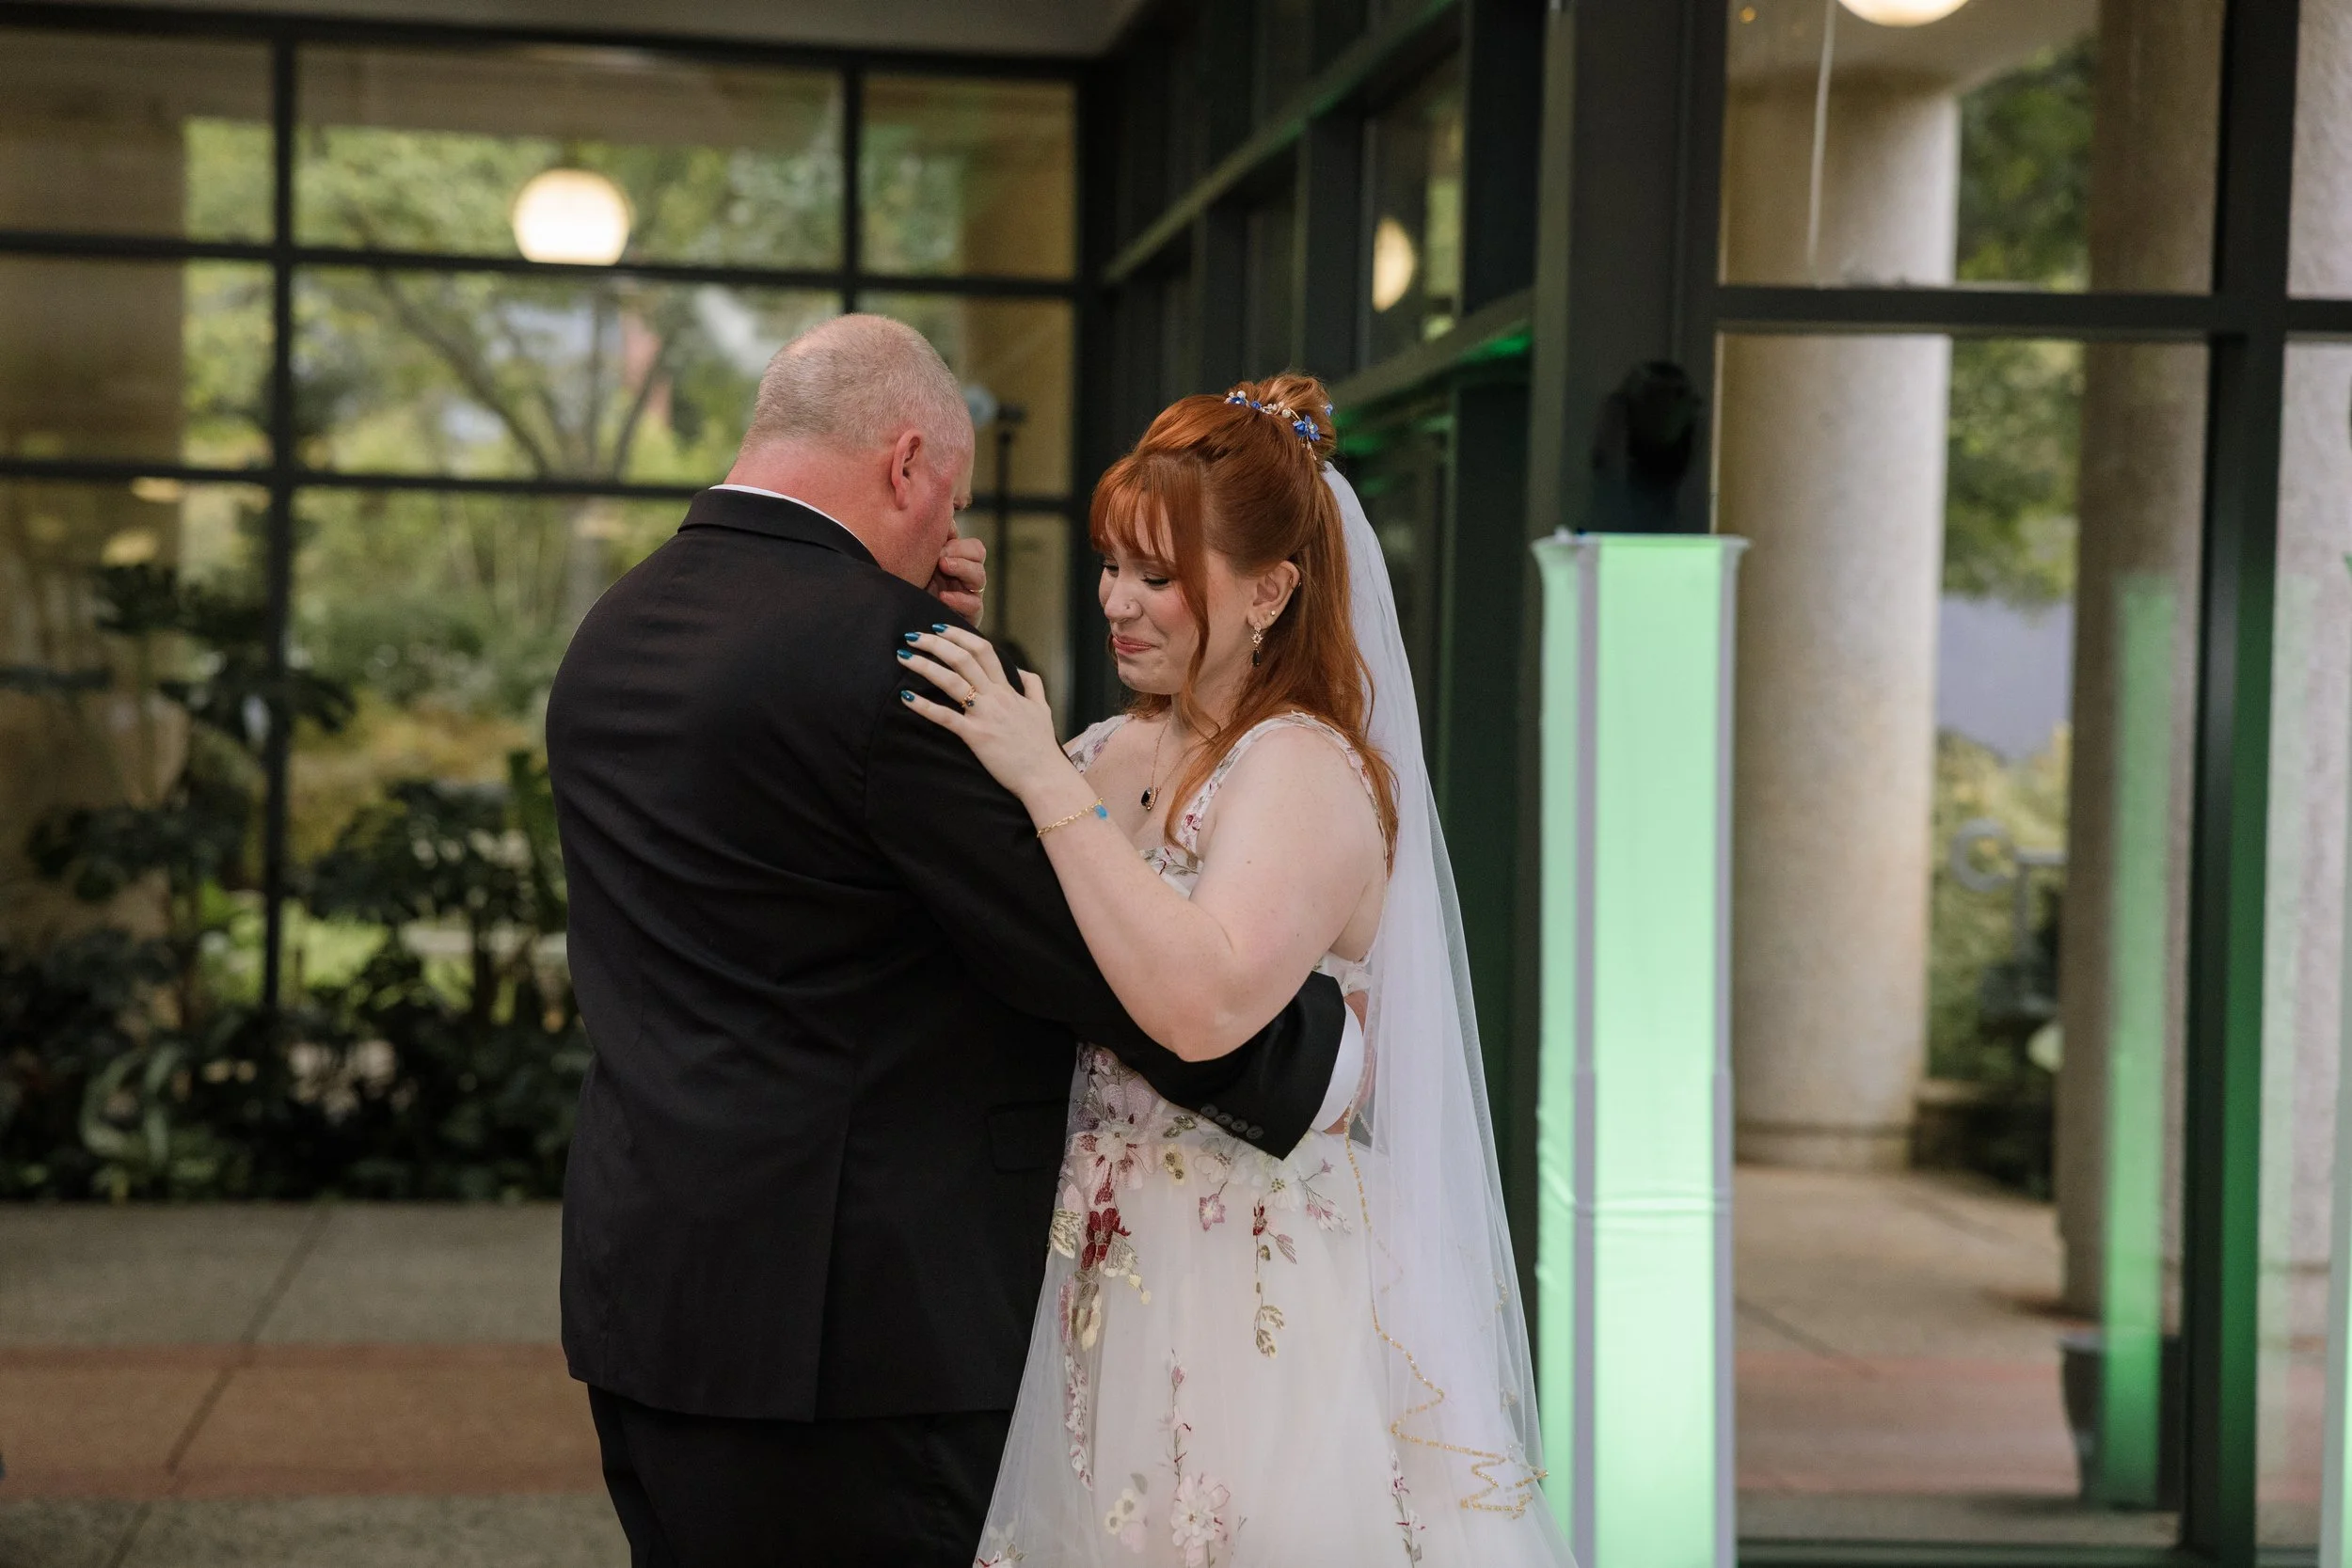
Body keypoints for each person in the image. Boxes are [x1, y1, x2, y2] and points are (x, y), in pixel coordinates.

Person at [544, 318, 1357, 1568]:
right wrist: (1315, 1055)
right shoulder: (890, 662)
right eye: (956, 500)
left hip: (651, 1294)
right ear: (907, 463)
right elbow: (1061, 940)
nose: (951, 532)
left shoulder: (619, 625)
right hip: (856, 1340)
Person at [899, 373, 1573, 1566]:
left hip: (1246, 1278)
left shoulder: (1302, 767)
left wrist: (1041, 777)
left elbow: (1204, 1004)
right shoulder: (1108, 749)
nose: (1117, 602)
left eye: (1157, 576)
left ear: (1270, 589)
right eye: (1111, 565)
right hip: (1090, 1254)